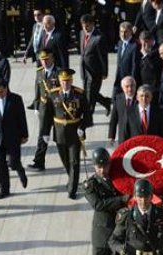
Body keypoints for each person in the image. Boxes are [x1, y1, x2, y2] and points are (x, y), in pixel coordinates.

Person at [109, 179, 163, 255]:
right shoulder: (127, 216)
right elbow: (113, 240)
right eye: (140, 197)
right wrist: (122, 249)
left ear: (151, 196)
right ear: (135, 197)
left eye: (146, 197)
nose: (143, 201)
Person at [42, 69, 90, 199]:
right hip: (59, 134)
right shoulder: (53, 95)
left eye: (68, 81)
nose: (65, 83)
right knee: (66, 161)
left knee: (74, 162)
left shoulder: (79, 94)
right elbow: (47, 116)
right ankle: (72, 179)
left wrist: (82, 127)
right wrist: (45, 133)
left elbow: (87, 115)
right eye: (63, 81)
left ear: (71, 81)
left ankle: (72, 189)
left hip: (75, 134)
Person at [83, 148, 130, 255]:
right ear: (94, 166)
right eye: (99, 167)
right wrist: (121, 200)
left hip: (118, 232)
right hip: (102, 235)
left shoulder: (117, 179)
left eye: (105, 166)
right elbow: (98, 204)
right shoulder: (90, 185)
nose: (102, 170)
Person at [0, 78, 28, 199]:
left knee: (12, 163)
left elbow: (21, 117)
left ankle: (20, 170)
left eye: (2, 91)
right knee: (0, 165)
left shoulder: (16, 99)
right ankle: (4, 189)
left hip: (13, 137)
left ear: (6, 88)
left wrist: (24, 134)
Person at [27, 49, 61, 171]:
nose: (45, 62)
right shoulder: (40, 72)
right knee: (43, 135)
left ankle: (68, 156)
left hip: (57, 109)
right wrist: (36, 106)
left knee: (60, 136)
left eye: (47, 59)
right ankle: (39, 161)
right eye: (42, 60)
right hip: (44, 108)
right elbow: (37, 90)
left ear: (52, 58)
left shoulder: (59, 73)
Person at [80, 14, 111, 120]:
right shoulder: (82, 34)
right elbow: (83, 52)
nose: (85, 28)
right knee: (89, 93)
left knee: (90, 96)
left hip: (95, 72)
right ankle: (106, 102)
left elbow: (103, 57)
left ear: (92, 24)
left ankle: (88, 118)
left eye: (87, 26)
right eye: (83, 26)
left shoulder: (99, 38)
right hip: (85, 70)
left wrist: (104, 72)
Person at [113, 22, 140, 99]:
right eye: (121, 31)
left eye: (126, 32)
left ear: (131, 32)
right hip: (119, 78)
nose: (123, 34)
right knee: (116, 100)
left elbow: (134, 65)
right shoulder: (120, 43)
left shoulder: (135, 45)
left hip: (128, 80)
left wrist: (132, 82)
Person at [109, 76, 137, 144]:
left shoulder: (140, 98)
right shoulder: (118, 98)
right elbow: (114, 118)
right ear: (122, 88)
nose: (130, 89)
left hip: (136, 135)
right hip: (123, 135)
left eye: (132, 86)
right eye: (127, 86)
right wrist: (111, 135)